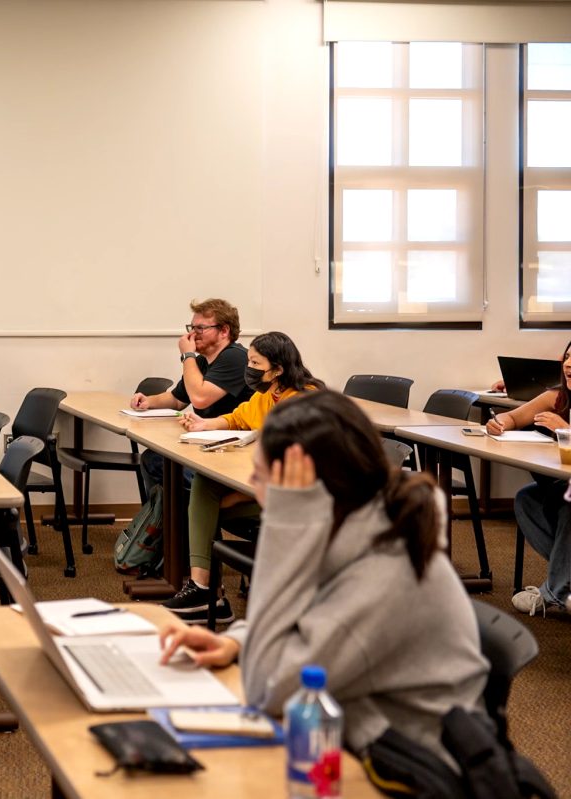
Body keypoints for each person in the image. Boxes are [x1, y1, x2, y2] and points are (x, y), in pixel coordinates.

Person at [159, 390, 488, 769]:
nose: (251, 480)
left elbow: (266, 688)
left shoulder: (385, 568)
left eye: (262, 473)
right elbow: (313, 616)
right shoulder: (354, 522)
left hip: (407, 775)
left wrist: (284, 525)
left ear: (310, 485)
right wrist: (237, 642)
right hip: (356, 741)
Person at [162, 331, 323, 624]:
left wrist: (237, 496)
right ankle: (205, 588)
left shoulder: (304, 401)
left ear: (278, 369)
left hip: (294, 498)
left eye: (255, 363)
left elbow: (294, 472)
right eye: (249, 360)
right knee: (204, 483)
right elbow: (237, 417)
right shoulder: (266, 396)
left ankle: (207, 593)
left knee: (206, 502)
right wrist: (204, 424)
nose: (249, 369)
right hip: (263, 487)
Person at [130, 298, 253, 490]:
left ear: (224, 331)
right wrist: (148, 401)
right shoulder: (204, 361)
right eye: (191, 327)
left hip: (232, 451)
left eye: (200, 328)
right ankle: (166, 518)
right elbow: (177, 399)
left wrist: (187, 355)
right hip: (209, 442)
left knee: (158, 462)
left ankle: (181, 518)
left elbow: (200, 399)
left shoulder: (235, 357)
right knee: (154, 459)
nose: (193, 334)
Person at [486, 341, 571, 616]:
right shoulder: (557, 397)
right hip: (562, 483)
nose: (568, 364)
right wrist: (500, 424)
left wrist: (565, 429)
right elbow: (513, 416)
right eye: (567, 357)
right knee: (526, 498)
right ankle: (566, 584)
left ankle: (554, 592)